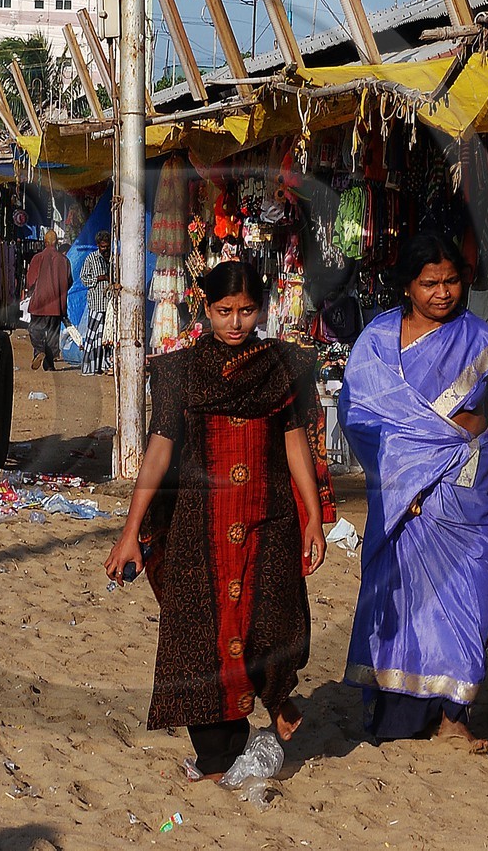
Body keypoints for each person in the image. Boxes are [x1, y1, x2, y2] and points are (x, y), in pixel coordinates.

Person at [104, 260, 330, 781]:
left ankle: (273, 698)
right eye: (224, 311)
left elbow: (296, 444)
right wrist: (130, 532)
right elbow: (158, 453)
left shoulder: (282, 367)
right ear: (204, 308)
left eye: (247, 311)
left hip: (267, 519)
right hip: (198, 525)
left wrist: (313, 517)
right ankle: (217, 756)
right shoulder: (180, 371)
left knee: (270, 620)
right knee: (199, 635)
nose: (235, 323)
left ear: (262, 310)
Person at [339, 233, 488, 750]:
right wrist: (407, 477)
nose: (442, 292)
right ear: (407, 286)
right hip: (404, 496)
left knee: (469, 596)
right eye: (429, 283)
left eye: (451, 281)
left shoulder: (479, 339)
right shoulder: (377, 344)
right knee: (401, 602)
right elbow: (358, 418)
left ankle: (456, 714)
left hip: (466, 492)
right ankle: (400, 713)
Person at [24, 229, 72, 371]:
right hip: (56, 305)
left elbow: (30, 281)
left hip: (40, 302)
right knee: (52, 335)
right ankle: (49, 365)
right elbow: (69, 282)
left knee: (34, 329)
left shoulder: (38, 258)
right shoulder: (64, 261)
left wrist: (32, 291)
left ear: (45, 242)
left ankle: (39, 351)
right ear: (57, 243)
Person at [78, 231, 114, 376]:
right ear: (98, 245)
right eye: (103, 247)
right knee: (92, 335)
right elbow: (83, 279)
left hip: (109, 304)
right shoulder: (91, 259)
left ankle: (103, 366)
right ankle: (88, 367)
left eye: (107, 246)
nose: (106, 250)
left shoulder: (113, 259)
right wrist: (98, 279)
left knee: (105, 337)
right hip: (96, 303)